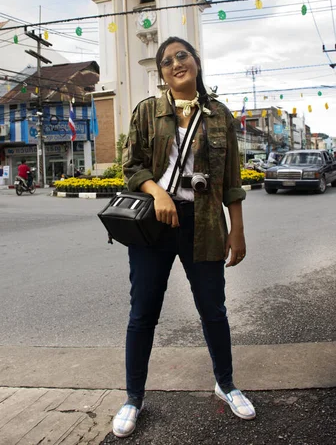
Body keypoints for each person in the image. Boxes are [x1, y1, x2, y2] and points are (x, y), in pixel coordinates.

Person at [112, 37, 255, 439]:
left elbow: (231, 179)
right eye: (167, 61)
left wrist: (237, 229)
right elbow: (132, 166)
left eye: (182, 56)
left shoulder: (220, 115)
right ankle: (133, 398)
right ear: (161, 74)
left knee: (214, 309)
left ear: (195, 62)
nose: (176, 63)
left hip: (205, 222)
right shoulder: (147, 112)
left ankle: (225, 384)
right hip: (153, 224)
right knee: (143, 313)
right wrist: (158, 193)